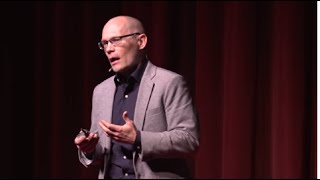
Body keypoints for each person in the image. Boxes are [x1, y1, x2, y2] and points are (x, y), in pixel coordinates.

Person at [74, 15, 200, 179]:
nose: (109, 49)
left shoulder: (170, 82)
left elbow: (189, 139)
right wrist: (89, 148)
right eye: (104, 43)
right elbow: (102, 152)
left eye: (116, 40)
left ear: (141, 41)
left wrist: (138, 138)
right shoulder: (101, 91)